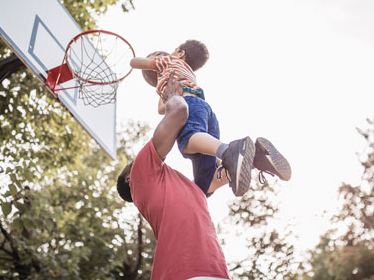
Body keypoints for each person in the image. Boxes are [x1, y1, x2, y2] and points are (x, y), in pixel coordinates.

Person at [130, 40, 291, 197]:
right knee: (204, 183)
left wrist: (150, 62)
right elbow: (161, 108)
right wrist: (162, 83)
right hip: (204, 110)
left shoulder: (168, 61)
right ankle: (258, 158)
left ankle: (229, 150)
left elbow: (134, 62)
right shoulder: (187, 72)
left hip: (189, 105)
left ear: (180, 53)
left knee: (188, 139)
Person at [117, 79, 231, 279]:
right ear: (129, 178)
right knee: (187, 142)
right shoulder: (139, 176)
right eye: (129, 163)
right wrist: (172, 96)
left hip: (213, 271)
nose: (134, 160)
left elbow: (218, 179)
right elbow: (179, 112)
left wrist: (250, 159)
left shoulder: (189, 189)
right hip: (184, 272)